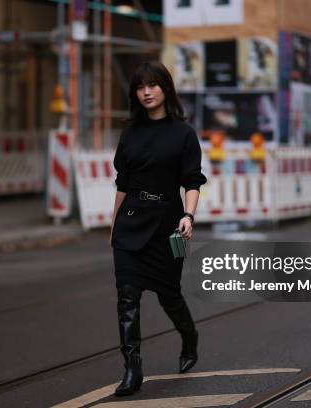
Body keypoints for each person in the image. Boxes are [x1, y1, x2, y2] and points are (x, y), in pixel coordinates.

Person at [109, 61, 207, 396]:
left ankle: (189, 337)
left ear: (165, 88)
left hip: (171, 227)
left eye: (153, 84)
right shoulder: (130, 134)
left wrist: (189, 216)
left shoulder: (183, 134)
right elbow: (122, 184)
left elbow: (192, 181)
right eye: (140, 86)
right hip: (130, 221)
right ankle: (132, 369)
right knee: (127, 298)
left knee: (170, 294)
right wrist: (113, 228)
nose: (146, 91)